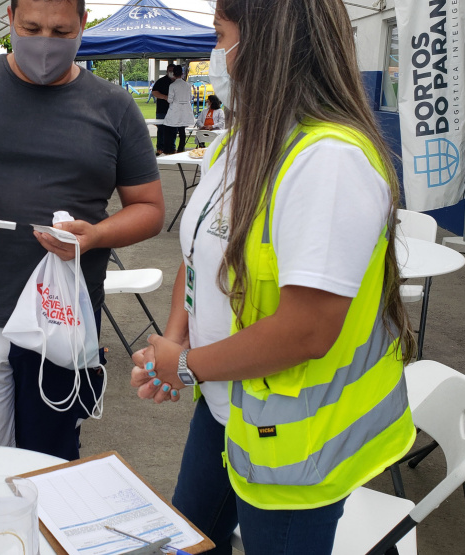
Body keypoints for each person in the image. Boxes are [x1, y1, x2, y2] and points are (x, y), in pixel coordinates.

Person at [129, 0, 417, 553]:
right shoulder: (236, 145)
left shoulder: (328, 160)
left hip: (296, 444)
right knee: (189, 542)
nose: (214, 55)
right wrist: (175, 339)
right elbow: (197, 256)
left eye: (220, 35)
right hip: (225, 408)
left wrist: (186, 365)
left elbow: (306, 331)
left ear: (266, 42)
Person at [0, 0, 164, 461]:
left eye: (61, 32)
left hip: (62, 323)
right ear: (9, 21)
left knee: (47, 468)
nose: (44, 44)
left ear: (83, 24)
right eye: (31, 28)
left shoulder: (113, 106)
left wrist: (94, 236)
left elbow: (149, 208)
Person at [162, 65, 194, 154]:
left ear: (173, 74)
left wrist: (168, 99)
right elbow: (190, 97)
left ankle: (167, 149)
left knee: (168, 128)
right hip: (185, 109)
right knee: (182, 130)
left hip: (175, 109)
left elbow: (170, 99)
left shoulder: (172, 85)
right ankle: (181, 149)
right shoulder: (188, 85)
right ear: (182, 74)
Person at [151, 63, 174, 155]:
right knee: (161, 129)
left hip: (174, 110)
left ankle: (171, 148)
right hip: (162, 110)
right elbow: (154, 92)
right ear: (167, 71)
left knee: (173, 130)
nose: (172, 72)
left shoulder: (178, 82)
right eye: (170, 71)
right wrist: (165, 97)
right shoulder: (161, 81)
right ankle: (160, 148)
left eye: (173, 71)